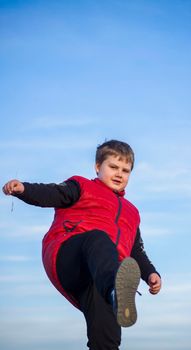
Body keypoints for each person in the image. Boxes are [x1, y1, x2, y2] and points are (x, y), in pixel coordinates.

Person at [2, 139, 162, 350]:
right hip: (69, 255)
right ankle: (114, 287)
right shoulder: (81, 186)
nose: (119, 174)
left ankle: (116, 294)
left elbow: (136, 250)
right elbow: (53, 193)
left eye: (126, 170)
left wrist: (151, 274)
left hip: (100, 276)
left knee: (107, 335)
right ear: (97, 167)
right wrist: (24, 189)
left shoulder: (132, 213)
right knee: (99, 239)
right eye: (113, 167)